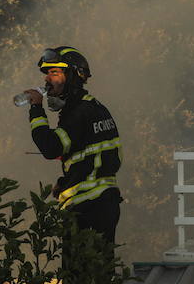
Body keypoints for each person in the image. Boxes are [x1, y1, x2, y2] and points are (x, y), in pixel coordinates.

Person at [23, 47, 122, 266]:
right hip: (102, 203)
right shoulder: (95, 108)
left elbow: (50, 148)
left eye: (55, 73)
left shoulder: (78, 113)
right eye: (46, 74)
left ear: (73, 76)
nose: (48, 79)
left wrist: (36, 109)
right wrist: (64, 182)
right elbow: (99, 157)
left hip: (87, 209)